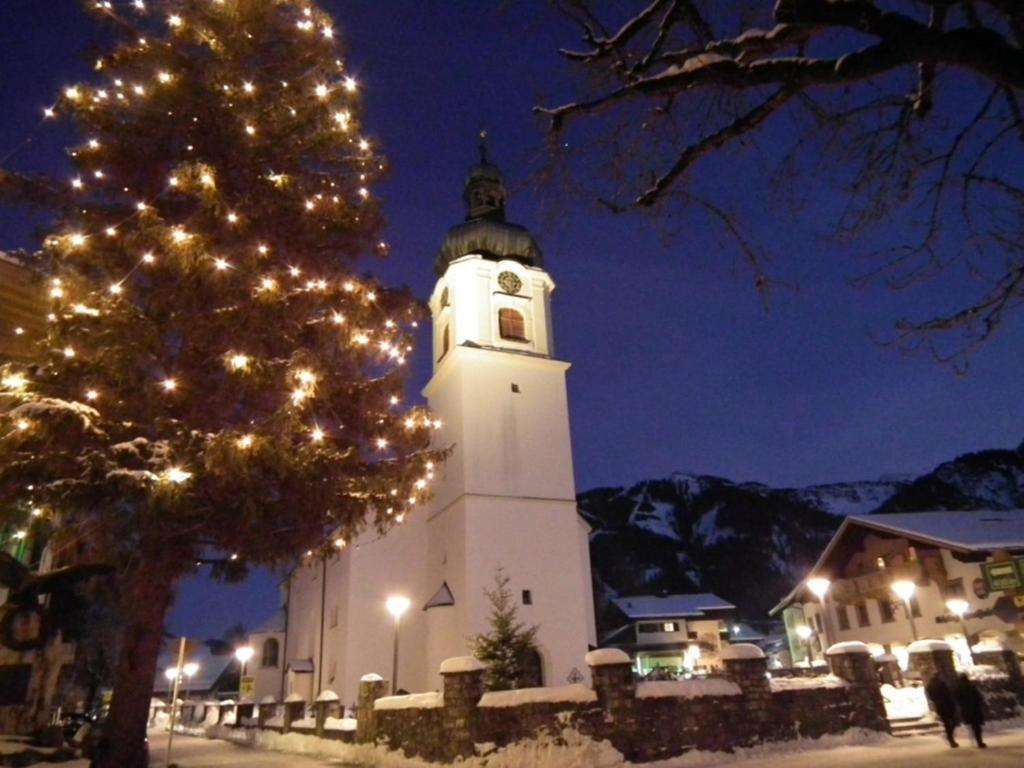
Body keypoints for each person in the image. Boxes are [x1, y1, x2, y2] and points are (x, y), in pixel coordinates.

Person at [925, 674, 959, 747]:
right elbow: (948, 695)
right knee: (953, 722)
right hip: (947, 705)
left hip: (939, 707)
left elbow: (931, 697)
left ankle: (950, 739)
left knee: (947, 723)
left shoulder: (929, 686)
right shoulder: (942, 684)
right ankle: (950, 738)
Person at [954, 673, 987, 748]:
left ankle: (975, 739)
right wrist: (979, 704)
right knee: (977, 726)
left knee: (972, 725)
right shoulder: (971, 686)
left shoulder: (958, 688)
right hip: (975, 708)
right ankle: (979, 741)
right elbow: (978, 696)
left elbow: (957, 698)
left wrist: (961, 705)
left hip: (966, 709)